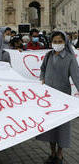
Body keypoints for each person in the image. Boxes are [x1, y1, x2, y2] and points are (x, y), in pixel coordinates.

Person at [37, 31, 79, 164]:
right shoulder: (48, 55)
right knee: (51, 126)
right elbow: (42, 69)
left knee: (62, 126)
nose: (57, 44)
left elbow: (76, 77)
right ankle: (52, 152)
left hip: (62, 97)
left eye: (60, 41)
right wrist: (42, 78)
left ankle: (60, 154)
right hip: (49, 97)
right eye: (54, 41)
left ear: (65, 42)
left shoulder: (70, 58)